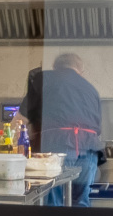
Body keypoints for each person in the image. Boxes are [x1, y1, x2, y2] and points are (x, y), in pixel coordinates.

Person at [23, 52, 105, 204]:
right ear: (81, 71)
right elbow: (97, 127)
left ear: (55, 67)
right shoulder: (91, 89)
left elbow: (22, 118)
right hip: (89, 151)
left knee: (54, 204)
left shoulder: (45, 79)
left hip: (58, 147)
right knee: (82, 202)